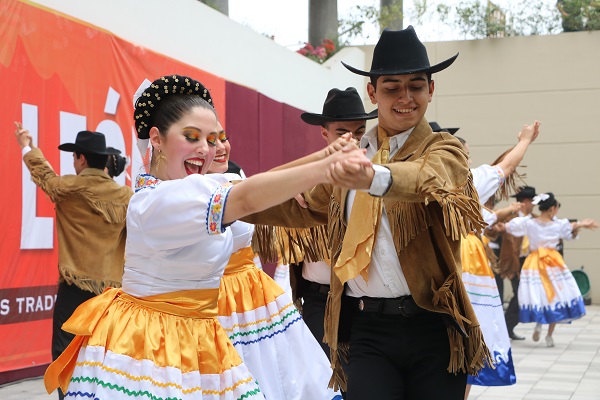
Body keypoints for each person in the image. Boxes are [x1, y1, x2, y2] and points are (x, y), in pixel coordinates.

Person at [42, 74, 368, 399]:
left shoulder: (196, 186)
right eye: (192, 136)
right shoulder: (157, 201)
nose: (205, 150)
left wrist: (327, 157)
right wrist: (325, 166)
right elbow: (245, 198)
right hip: (152, 345)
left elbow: (251, 186)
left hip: (201, 336)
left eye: (212, 139)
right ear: (156, 139)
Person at [242, 26, 492, 400]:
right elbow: (301, 209)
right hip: (366, 330)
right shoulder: (352, 155)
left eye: (416, 86)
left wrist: (372, 176)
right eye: (392, 88)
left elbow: (427, 178)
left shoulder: (444, 149)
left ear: (431, 90)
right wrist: (221, 201)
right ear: (372, 93)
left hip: (433, 327)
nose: (405, 97)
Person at [208, 121, 341, 399]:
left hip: (254, 298)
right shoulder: (187, 192)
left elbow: (262, 187)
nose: (221, 147)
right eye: (209, 140)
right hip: (208, 302)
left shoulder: (235, 183)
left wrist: (294, 184)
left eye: (223, 137)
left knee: (281, 377)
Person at [13, 124, 133, 400]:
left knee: (66, 354)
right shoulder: (125, 196)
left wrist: (26, 145)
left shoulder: (70, 188)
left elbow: (43, 175)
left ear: (81, 158)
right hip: (111, 294)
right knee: (105, 355)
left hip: (74, 288)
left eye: (74, 157)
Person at [286, 87, 377, 360]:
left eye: (359, 132)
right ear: (324, 132)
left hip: (362, 300)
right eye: (342, 132)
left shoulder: (377, 176)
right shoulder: (302, 175)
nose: (352, 140)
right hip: (318, 300)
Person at [454, 121, 540, 397]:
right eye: (465, 155)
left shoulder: (435, 179)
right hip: (463, 255)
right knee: (472, 328)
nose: (468, 160)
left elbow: (501, 173)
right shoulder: (465, 183)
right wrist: (525, 140)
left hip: (455, 254)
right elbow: (506, 167)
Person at [503, 192, 598, 347]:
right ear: (552, 208)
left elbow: (511, 226)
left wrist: (500, 225)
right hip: (553, 263)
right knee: (556, 296)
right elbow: (570, 229)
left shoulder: (530, 223)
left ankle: (539, 324)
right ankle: (549, 335)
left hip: (534, 263)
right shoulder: (558, 225)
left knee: (539, 295)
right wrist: (581, 224)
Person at [502, 185, 538, 340]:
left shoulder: (533, 218)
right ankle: (506, 328)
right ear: (525, 201)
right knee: (519, 295)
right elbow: (509, 246)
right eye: (532, 201)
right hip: (514, 262)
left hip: (528, 262)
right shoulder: (510, 217)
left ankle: (507, 328)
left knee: (521, 296)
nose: (534, 205)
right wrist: (512, 266)